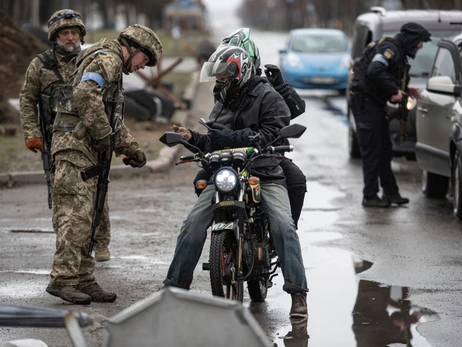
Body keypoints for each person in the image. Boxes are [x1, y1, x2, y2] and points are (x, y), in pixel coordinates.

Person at [163, 45, 308, 317]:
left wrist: (232, 140)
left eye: (222, 77)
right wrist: (193, 138)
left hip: (263, 171)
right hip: (227, 173)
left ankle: (298, 293)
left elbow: (272, 133)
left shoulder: (268, 96)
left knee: (283, 225)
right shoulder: (222, 101)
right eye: (216, 77)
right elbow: (215, 139)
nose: (218, 82)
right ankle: (173, 288)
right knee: (192, 224)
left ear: (238, 73)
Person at [46, 24, 162, 305]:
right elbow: (85, 96)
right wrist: (103, 137)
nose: (141, 67)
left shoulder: (110, 64)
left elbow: (111, 118)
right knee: (76, 216)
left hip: (87, 151)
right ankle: (62, 279)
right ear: (132, 48)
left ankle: (83, 278)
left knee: (91, 217)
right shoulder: (107, 59)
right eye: (142, 60)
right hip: (74, 149)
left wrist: (131, 149)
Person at [19, 9, 111, 262]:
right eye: (64, 33)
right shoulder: (41, 64)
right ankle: (67, 243)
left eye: (73, 32)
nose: (70, 38)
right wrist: (32, 133)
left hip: (92, 139)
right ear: (55, 36)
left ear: (80, 35)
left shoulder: (91, 61)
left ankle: (99, 242)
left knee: (96, 189)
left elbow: (107, 100)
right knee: (61, 193)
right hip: (55, 142)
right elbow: (27, 100)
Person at [192, 28, 307, 228]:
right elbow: (217, 129)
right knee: (201, 180)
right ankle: (219, 219)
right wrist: (195, 139)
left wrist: (282, 88)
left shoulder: (266, 89)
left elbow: (291, 113)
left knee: (296, 180)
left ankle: (287, 230)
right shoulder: (224, 89)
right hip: (228, 157)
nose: (222, 75)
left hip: (264, 154)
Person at [350, 22, 431, 208]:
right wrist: (394, 90)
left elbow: (382, 74)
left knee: (385, 149)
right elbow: (374, 70)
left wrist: (403, 88)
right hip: (366, 104)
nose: (420, 46)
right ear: (411, 39)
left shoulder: (397, 51)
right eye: (420, 42)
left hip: (374, 104)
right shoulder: (390, 49)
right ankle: (370, 195)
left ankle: (390, 193)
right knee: (372, 151)